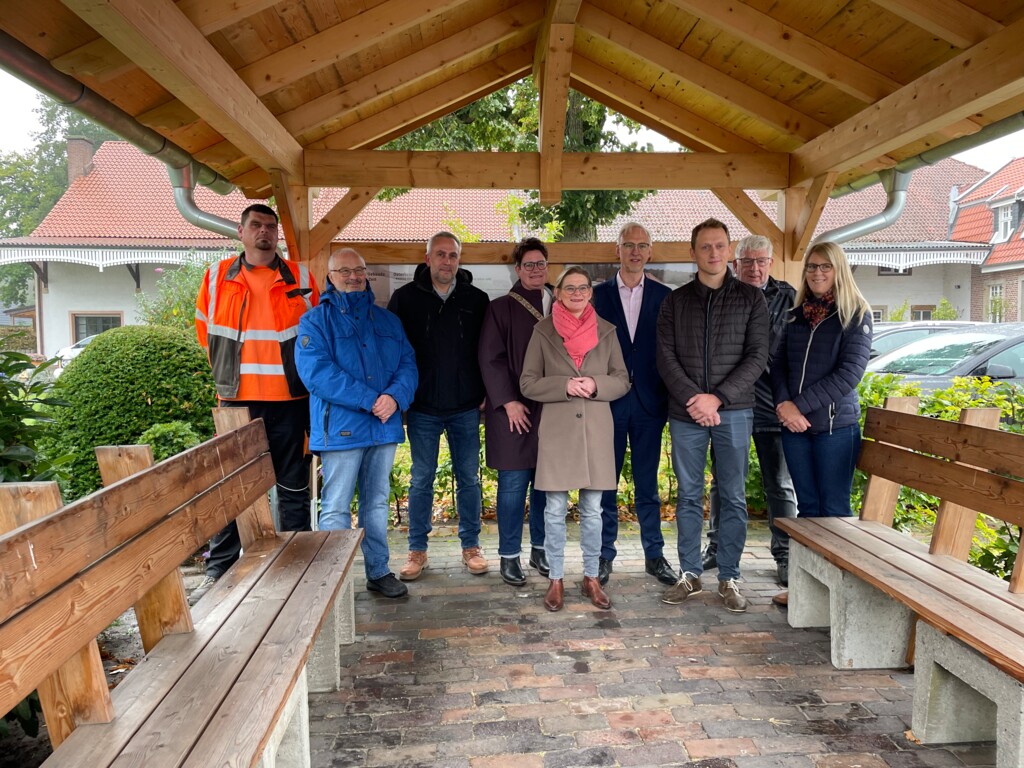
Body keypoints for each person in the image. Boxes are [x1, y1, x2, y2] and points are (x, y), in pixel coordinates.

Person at [193, 203, 319, 603]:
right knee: (231, 488)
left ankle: (296, 566)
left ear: (276, 234)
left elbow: (318, 333)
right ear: (242, 232)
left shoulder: (300, 276)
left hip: (290, 399)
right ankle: (221, 568)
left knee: (293, 486)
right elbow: (204, 332)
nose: (264, 232)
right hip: (236, 400)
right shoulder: (215, 278)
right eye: (256, 225)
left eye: (270, 226)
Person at [656, 218, 768, 613]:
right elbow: (664, 357)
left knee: (733, 496)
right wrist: (695, 399)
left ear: (729, 250)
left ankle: (730, 576)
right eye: (706, 247)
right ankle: (689, 574)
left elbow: (757, 357)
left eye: (720, 246)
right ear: (693, 253)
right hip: (686, 413)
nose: (714, 253)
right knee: (688, 495)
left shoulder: (752, 299)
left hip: (734, 411)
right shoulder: (675, 301)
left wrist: (717, 398)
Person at [295, 248, 417, 598]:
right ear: (330, 277)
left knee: (376, 504)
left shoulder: (387, 321)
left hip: (382, 426)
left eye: (359, 270)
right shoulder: (315, 321)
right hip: (343, 429)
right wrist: (370, 400)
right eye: (344, 270)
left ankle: (378, 571)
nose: (353, 276)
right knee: (336, 506)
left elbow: (408, 365)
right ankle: (333, 581)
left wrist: (394, 397)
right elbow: (317, 374)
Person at [520, 266, 630, 612]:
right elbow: (528, 382)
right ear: (560, 292)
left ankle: (591, 576)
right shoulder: (543, 331)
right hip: (557, 430)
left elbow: (622, 379)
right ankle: (555, 578)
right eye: (570, 288)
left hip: (596, 428)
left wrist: (596, 384)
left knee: (593, 510)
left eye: (583, 287)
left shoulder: (606, 331)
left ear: (591, 292)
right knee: (554, 510)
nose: (578, 293)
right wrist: (564, 385)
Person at [771, 242, 873, 605]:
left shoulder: (856, 315)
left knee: (834, 510)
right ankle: (806, 590)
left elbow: (849, 375)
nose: (817, 273)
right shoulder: (796, 316)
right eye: (812, 267)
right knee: (807, 511)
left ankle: (838, 594)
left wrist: (797, 406)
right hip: (796, 430)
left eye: (825, 267)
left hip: (834, 430)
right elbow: (779, 364)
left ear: (838, 270)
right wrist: (784, 405)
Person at [387, 231, 491, 580]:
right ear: (427, 258)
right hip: (422, 407)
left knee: (468, 479)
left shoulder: (477, 299)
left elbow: (487, 352)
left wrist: (486, 390)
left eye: (453, 255)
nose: (447, 261)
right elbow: (394, 353)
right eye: (441, 255)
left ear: (459, 260)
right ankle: (417, 551)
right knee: (420, 479)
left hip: (465, 405)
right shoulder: (404, 299)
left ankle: (471, 546)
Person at [704, 235, 798, 586]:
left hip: (775, 408)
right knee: (724, 483)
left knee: (779, 483)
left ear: (770, 263)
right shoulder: (721, 296)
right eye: (747, 262)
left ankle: (785, 554)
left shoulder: (789, 299)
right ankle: (717, 547)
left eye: (761, 261)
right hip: (732, 406)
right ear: (735, 264)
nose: (755, 268)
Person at [592, 222, 676, 587]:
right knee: (605, 483)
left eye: (643, 245)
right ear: (617, 250)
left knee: (647, 485)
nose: (636, 252)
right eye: (629, 245)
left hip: (648, 402)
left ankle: (654, 555)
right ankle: (604, 555)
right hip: (608, 402)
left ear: (650, 251)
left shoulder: (664, 295)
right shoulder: (597, 295)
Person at [478, 238, 552, 586]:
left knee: (546, 485)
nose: (536, 270)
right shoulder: (500, 308)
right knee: (512, 486)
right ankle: (509, 556)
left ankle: (540, 550)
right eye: (529, 265)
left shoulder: (561, 301)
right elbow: (490, 358)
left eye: (541, 264)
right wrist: (508, 401)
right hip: (513, 410)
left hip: (552, 408)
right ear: (517, 269)